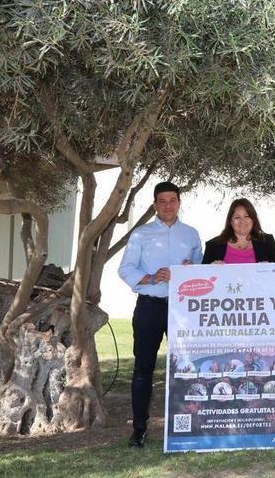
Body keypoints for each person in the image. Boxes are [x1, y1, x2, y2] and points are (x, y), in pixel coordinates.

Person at [118, 181, 202, 448]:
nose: (168, 205)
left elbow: (201, 268)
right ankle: (139, 429)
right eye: (162, 201)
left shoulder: (191, 234)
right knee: (144, 368)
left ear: (179, 202)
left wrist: (191, 268)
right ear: (155, 205)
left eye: (172, 200)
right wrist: (151, 277)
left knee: (187, 368)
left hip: (183, 309)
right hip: (150, 306)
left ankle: (191, 425)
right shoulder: (141, 234)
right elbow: (125, 269)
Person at [202, 198, 275, 264]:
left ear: (253, 219)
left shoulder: (267, 242)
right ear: (230, 221)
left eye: (247, 216)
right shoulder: (213, 245)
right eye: (237, 217)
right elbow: (202, 278)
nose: (242, 221)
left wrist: (270, 269)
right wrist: (210, 269)